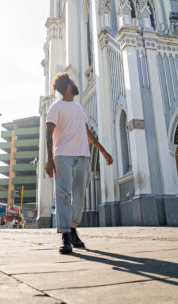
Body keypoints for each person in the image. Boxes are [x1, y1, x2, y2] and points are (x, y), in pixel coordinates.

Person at [45, 72, 113, 254]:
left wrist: (103, 151)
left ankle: (72, 228)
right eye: (72, 82)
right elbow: (48, 133)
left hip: (83, 156)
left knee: (80, 197)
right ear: (67, 86)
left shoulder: (79, 108)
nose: (74, 84)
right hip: (63, 156)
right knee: (64, 196)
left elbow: (88, 133)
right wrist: (50, 159)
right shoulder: (55, 107)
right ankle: (66, 235)